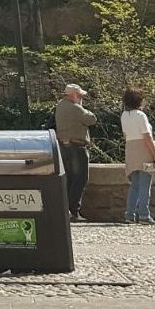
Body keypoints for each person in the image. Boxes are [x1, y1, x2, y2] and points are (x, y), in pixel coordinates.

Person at [53, 83, 97, 222]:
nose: (81, 98)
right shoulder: (75, 108)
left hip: (64, 146)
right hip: (77, 147)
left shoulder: (60, 106)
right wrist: (84, 108)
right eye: (79, 95)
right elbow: (91, 119)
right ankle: (74, 210)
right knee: (80, 179)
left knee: (70, 178)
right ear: (73, 95)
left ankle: (66, 209)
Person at [121, 88, 155, 225]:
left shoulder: (124, 116)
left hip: (131, 150)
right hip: (143, 150)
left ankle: (129, 214)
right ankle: (144, 214)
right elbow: (147, 136)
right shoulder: (141, 116)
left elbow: (125, 135)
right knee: (145, 184)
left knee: (135, 185)